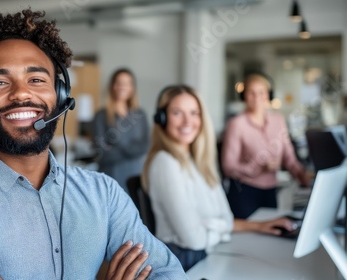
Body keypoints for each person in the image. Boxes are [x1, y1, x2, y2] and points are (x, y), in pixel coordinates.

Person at [0, 9, 186, 280]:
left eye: (36, 79)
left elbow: (169, 273)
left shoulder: (104, 195)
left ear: (60, 95)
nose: (21, 93)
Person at [141, 85, 296, 271]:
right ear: (162, 118)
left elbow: (226, 217)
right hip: (183, 264)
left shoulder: (199, 161)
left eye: (194, 113)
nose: (187, 121)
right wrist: (221, 229)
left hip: (208, 253)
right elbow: (195, 240)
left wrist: (260, 226)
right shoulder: (165, 163)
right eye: (177, 113)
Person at [222, 74, 312, 219]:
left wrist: (301, 174)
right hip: (244, 192)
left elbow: (289, 158)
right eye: (251, 92)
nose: (257, 97)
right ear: (243, 95)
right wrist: (258, 167)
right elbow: (228, 167)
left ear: (268, 95)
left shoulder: (278, 120)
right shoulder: (236, 124)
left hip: (271, 191)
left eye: (261, 92)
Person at [92, 68, 150, 191]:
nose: (123, 86)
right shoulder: (101, 116)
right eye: (119, 82)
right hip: (111, 175)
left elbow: (145, 145)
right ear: (112, 86)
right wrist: (133, 150)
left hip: (136, 175)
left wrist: (116, 146)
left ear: (132, 87)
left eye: (127, 83)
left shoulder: (140, 115)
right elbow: (100, 152)